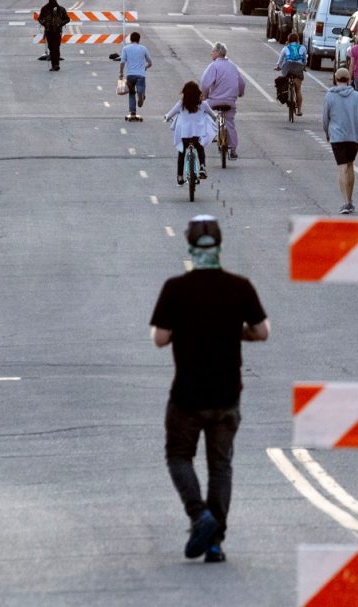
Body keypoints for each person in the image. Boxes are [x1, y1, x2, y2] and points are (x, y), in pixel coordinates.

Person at [150, 215, 270, 564]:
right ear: (219, 246)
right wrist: (237, 332)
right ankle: (215, 540)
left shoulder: (175, 288)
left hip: (187, 394)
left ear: (189, 246)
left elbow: (160, 338)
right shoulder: (239, 286)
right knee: (220, 466)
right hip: (227, 394)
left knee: (178, 456)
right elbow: (263, 331)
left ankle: (198, 515)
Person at [321, 68, 358, 215]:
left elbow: (325, 117)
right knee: (350, 164)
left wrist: (327, 132)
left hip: (337, 136)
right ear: (349, 79)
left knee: (342, 167)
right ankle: (350, 199)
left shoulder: (330, 96)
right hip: (353, 136)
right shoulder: (357, 96)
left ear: (335, 78)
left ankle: (346, 202)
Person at [164, 81, 217, 185]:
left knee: (182, 153)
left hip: (184, 136)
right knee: (200, 148)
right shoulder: (203, 104)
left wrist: (166, 117)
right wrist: (214, 117)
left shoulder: (181, 104)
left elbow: (170, 114)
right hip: (197, 135)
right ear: (198, 92)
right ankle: (202, 166)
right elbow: (213, 115)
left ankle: (180, 176)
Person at [200, 42, 245, 160]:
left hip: (214, 101)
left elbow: (205, 83)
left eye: (212, 51)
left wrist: (204, 95)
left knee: (203, 111)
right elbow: (241, 83)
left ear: (218, 53)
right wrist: (240, 93)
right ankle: (233, 149)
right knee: (229, 122)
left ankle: (211, 133)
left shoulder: (213, 66)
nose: (211, 53)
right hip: (230, 101)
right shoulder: (233, 66)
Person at [118, 31, 152, 120]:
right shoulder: (143, 48)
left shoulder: (126, 48)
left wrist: (121, 73)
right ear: (139, 39)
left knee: (131, 93)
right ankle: (141, 95)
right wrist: (146, 67)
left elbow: (122, 62)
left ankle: (133, 111)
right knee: (141, 87)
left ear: (130, 39)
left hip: (130, 75)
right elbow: (150, 62)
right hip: (141, 74)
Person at [273, 33, 306, 116]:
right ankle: (299, 110)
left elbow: (280, 61)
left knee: (285, 80)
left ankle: (287, 93)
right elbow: (304, 60)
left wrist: (278, 67)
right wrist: (303, 66)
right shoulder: (302, 48)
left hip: (287, 67)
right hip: (298, 67)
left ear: (289, 40)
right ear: (298, 40)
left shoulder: (285, 48)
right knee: (298, 90)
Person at [38, 0, 70, 72]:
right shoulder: (45, 9)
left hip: (57, 31)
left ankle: (56, 65)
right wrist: (45, 24)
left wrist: (61, 24)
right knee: (52, 48)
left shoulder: (60, 9)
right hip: (49, 31)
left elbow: (67, 19)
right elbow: (40, 18)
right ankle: (54, 65)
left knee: (56, 48)